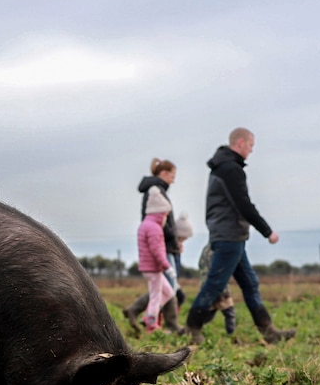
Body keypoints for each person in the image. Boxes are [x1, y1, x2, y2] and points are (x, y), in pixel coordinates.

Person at [185, 128, 296, 345]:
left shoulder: (223, 166)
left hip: (231, 234)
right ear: (241, 143)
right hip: (229, 234)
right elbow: (243, 204)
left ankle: (269, 331)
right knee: (215, 284)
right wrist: (267, 231)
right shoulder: (230, 169)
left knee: (250, 283)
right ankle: (192, 328)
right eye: (251, 146)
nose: (251, 151)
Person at [123, 158, 184, 333]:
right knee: (166, 288)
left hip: (162, 249)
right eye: (173, 175)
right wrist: (173, 241)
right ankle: (164, 323)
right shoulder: (155, 192)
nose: (174, 179)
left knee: (165, 289)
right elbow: (163, 227)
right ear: (164, 174)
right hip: (161, 251)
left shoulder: (157, 192)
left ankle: (144, 314)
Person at [136, 186, 175, 332]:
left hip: (149, 267)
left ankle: (149, 315)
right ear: (159, 213)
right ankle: (151, 323)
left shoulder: (145, 225)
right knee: (156, 296)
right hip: (154, 268)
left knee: (168, 292)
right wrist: (167, 267)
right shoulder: (154, 228)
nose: (166, 218)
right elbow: (157, 251)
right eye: (165, 215)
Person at [198, 243, 237, 335]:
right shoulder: (220, 248)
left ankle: (193, 330)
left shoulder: (206, 249)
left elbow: (200, 264)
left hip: (205, 285)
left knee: (209, 313)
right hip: (219, 285)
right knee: (229, 313)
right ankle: (231, 334)